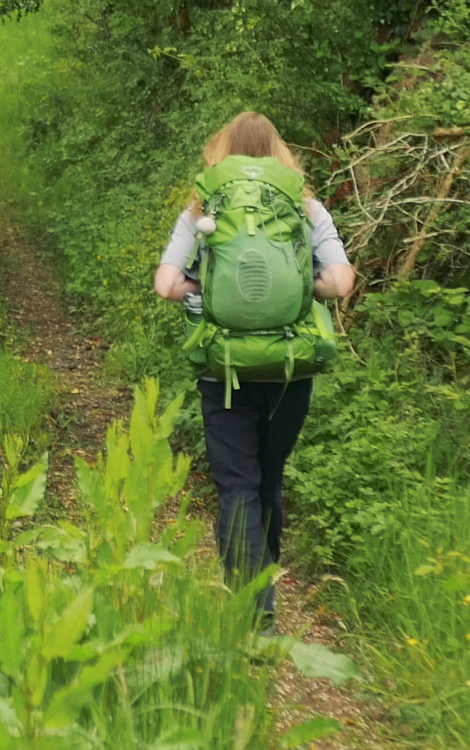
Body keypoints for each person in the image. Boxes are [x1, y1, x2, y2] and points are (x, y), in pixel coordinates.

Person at [152, 111, 354, 622]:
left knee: (236, 484)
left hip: (224, 371)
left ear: (220, 154)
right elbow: (340, 282)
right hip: (291, 369)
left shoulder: (201, 211)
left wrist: (204, 288)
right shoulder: (305, 209)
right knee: (268, 479)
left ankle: (251, 612)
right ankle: (260, 585)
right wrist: (299, 286)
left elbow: (167, 286)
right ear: (281, 154)